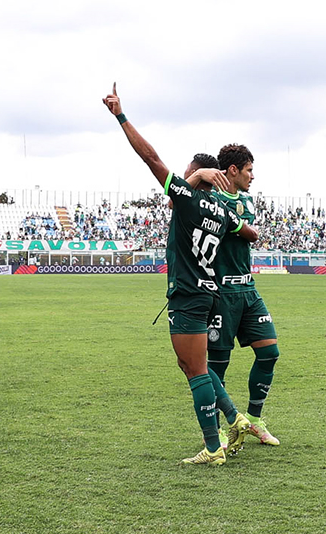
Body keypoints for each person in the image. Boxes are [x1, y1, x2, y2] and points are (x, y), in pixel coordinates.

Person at [103, 83, 258, 466]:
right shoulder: (223, 213)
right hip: (210, 293)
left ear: (198, 175)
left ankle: (213, 446)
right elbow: (248, 233)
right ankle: (235, 417)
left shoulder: (187, 200)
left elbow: (150, 158)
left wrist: (121, 116)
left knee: (195, 372)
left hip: (188, 295)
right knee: (193, 365)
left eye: (189, 170)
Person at [201, 144, 281, 447]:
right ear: (232, 170)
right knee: (217, 367)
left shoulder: (246, 200)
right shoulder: (209, 197)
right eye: (249, 170)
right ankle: (221, 430)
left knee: (270, 352)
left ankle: (255, 420)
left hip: (248, 289)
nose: (252, 176)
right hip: (221, 292)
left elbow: (248, 232)